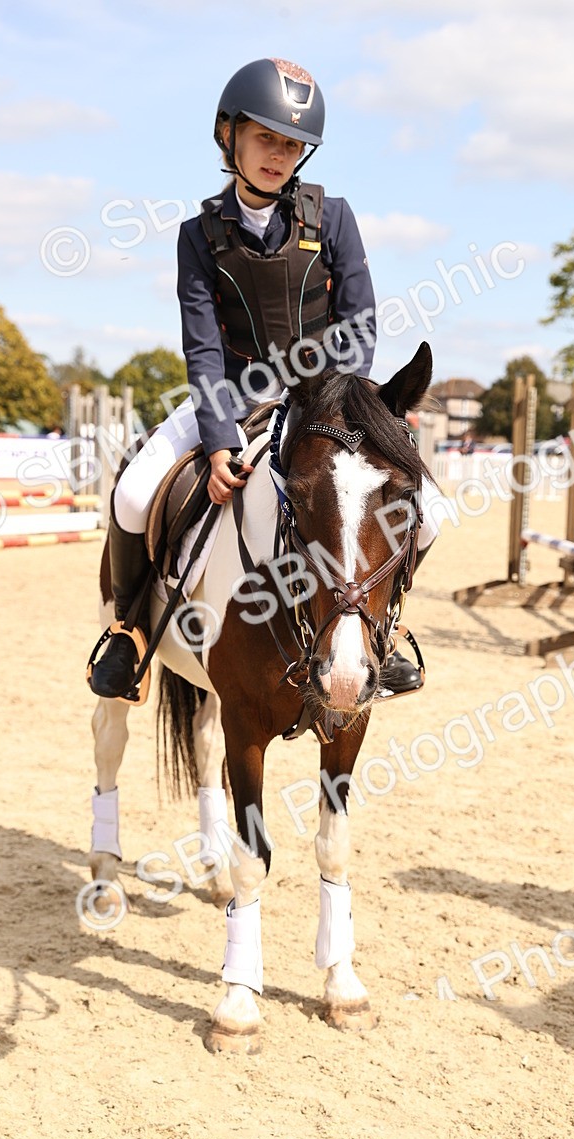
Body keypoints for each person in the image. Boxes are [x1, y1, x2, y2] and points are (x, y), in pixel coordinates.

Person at [89, 57, 424, 700]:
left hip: (323, 401)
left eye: (293, 143)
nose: (279, 154)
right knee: (133, 492)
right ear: (229, 134)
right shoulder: (198, 236)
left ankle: (385, 629)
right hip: (232, 395)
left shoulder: (334, 218)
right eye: (266, 137)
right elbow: (203, 347)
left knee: (425, 510)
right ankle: (129, 633)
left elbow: (359, 323)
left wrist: (348, 409)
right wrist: (217, 441)